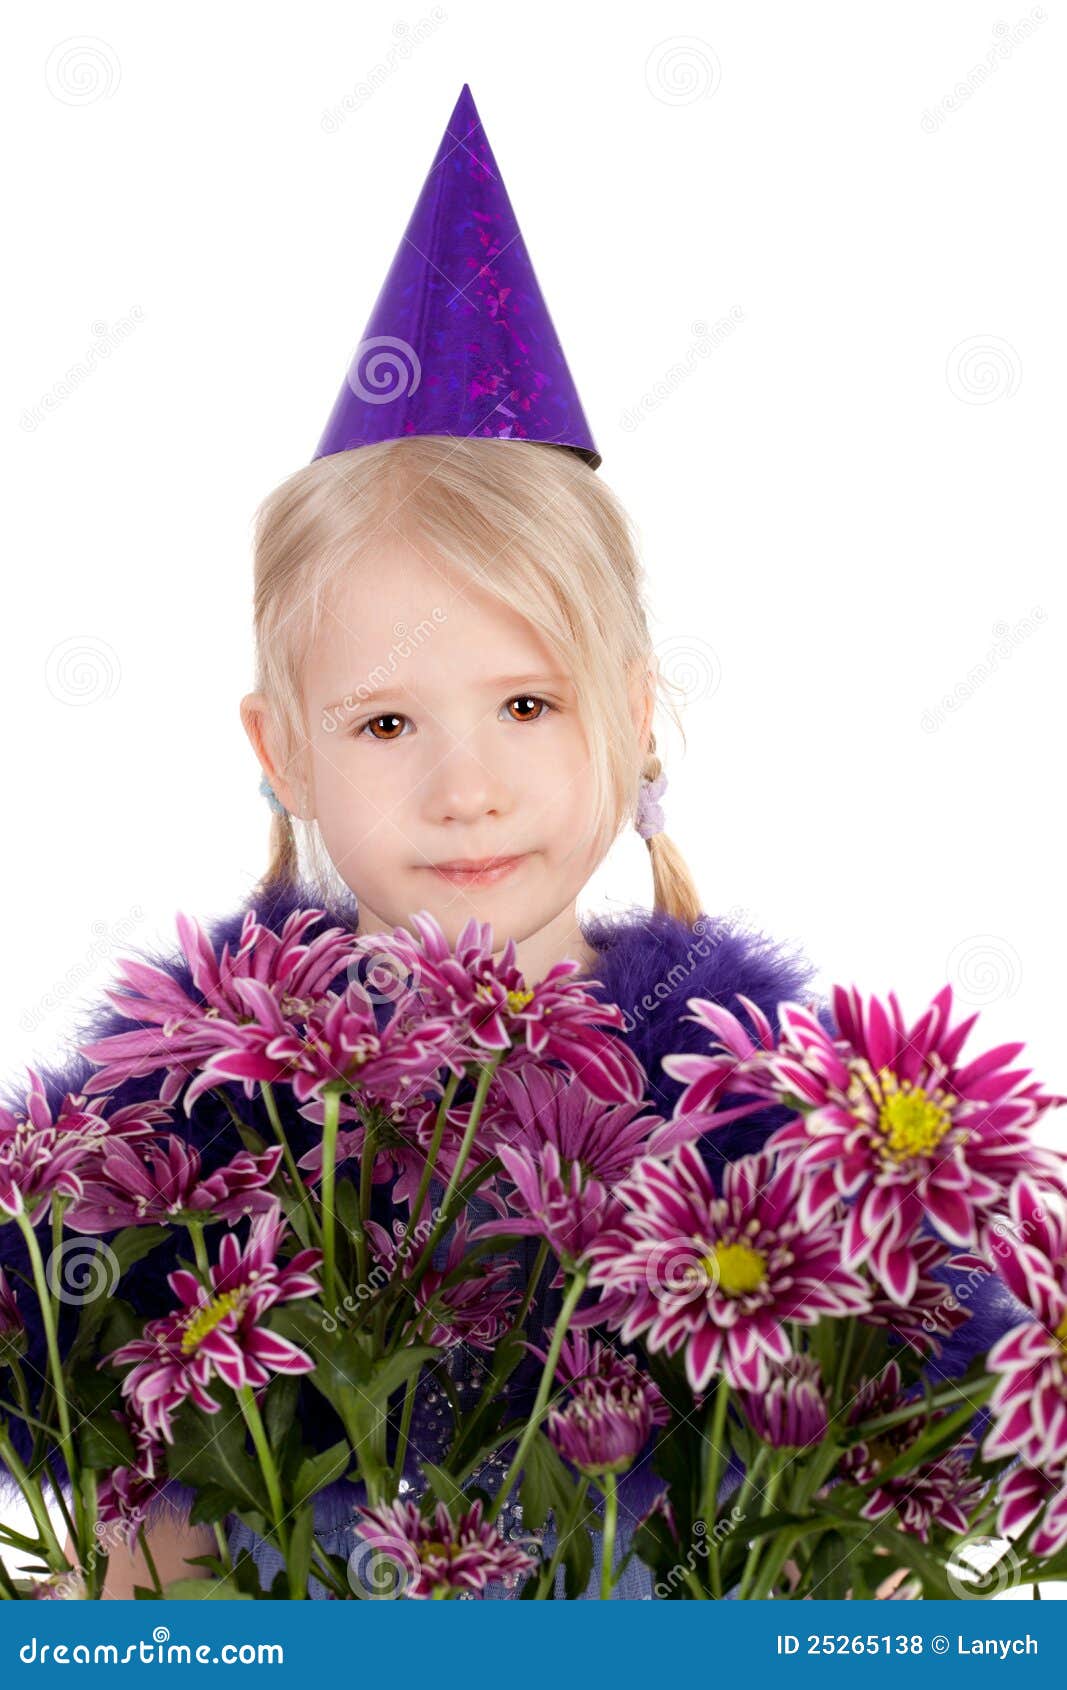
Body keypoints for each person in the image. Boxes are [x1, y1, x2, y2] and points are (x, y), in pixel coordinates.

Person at [0, 85, 1023, 1600]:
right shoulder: (183, 1116)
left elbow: (950, 1413)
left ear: (635, 713)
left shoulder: (764, 1108)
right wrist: (136, 1551)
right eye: (387, 726)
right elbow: (48, 1363)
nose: (467, 790)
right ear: (282, 752)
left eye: (527, 703)